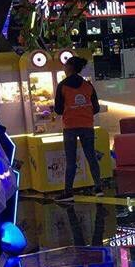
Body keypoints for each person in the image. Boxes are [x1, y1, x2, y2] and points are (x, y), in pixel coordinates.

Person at [53, 55, 104, 197]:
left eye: (65, 65)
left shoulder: (62, 86)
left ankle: (68, 192)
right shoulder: (88, 85)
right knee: (91, 157)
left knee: (71, 161)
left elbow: (58, 110)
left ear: (69, 67)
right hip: (87, 126)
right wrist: (84, 113)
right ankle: (98, 188)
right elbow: (96, 108)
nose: (64, 68)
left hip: (70, 127)